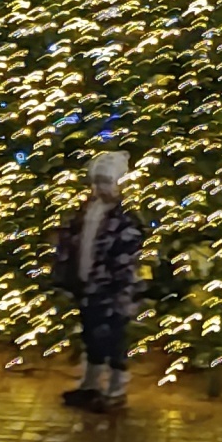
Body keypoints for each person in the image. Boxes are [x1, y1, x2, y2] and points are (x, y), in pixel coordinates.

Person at [54, 150, 146, 413]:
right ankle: (89, 385)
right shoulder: (86, 212)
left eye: (107, 182)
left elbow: (127, 257)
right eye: (97, 182)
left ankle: (116, 390)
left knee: (113, 340)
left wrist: (122, 288)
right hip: (87, 286)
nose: (101, 188)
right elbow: (71, 241)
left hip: (113, 291)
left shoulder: (124, 218)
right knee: (91, 336)